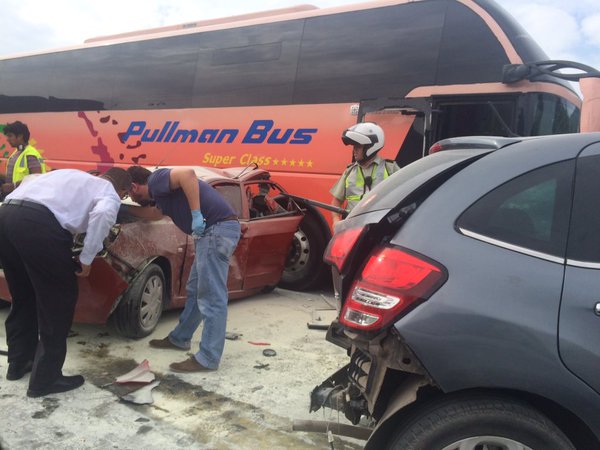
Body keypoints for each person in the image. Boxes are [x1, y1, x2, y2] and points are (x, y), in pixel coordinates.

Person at [0, 167, 131, 397]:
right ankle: (45, 380)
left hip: (6, 216)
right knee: (58, 303)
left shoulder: (72, 175)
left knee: (24, 295)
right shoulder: (108, 192)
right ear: (123, 189)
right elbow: (101, 216)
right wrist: (87, 259)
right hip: (38, 226)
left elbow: (30, 182)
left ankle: (18, 364)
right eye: (123, 196)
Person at [126, 166, 241, 373]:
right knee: (196, 290)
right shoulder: (161, 196)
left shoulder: (156, 179)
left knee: (211, 297)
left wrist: (196, 214)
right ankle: (180, 338)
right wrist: (122, 210)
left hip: (215, 230)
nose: (132, 200)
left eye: (129, 195)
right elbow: (154, 214)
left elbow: (187, 174)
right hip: (212, 232)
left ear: (134, 186)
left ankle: (208, 358)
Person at [330, 122, 400, 225]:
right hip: (353, 227)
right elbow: (336, 201)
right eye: (353, 147)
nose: (354, 151)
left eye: (358, 147)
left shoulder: (390, 168)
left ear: (370, 146)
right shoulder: (349, 171)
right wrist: (336, 221)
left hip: (380, 227)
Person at [1, 121, 46, 200]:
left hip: (24, 201)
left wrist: (13, 186)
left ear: (20, 136)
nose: (7, 139)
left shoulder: (30, 155)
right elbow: (14, 176)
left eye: (10, 136)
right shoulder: (16, 152)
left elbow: (36, 179)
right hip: (15, 198)